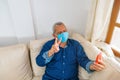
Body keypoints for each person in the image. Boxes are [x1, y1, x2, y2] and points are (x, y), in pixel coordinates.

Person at [36, 22, 105, 80]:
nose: (63, 34)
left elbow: (83, 60)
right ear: (54, 35)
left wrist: (92, 66)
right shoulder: (48, 45)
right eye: (60, 32)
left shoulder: (75, 45)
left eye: (64, 31)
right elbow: (39, 62)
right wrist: (50, 52)